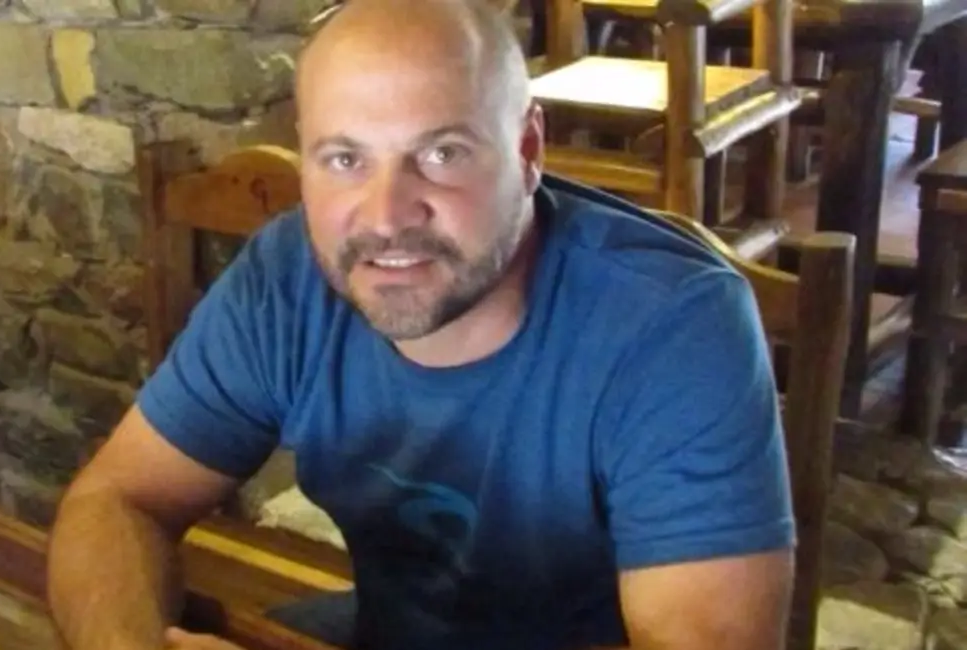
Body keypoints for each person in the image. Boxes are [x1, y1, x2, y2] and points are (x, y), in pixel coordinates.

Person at [45, 0, 797, 648]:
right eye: (344, 159)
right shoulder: (287, 277)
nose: (385, 217)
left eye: (441, 153)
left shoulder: (671, 325)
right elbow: (118, 498)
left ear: (527, 151)